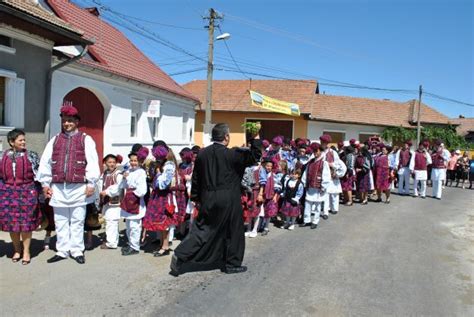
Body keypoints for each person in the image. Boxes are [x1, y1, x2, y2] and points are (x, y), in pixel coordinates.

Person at [171, 123, 262, 276]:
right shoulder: (233, 154)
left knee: (203, 229)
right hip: (229, 198)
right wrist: (255, 137)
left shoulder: (202, 154)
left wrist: (196, 197)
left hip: (208, 197)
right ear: (226, 137)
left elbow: (196, 179)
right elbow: (255, 156)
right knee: (234, 230)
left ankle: (180, 254)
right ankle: (232, 264)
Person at [38, 104, 100, 264]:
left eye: (70, 120)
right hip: (58, 188)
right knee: (60, 220)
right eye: (65, 121)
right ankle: (62, 250)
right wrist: (45, 184)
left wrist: (91, 183)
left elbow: (92, 162)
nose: (67, 124)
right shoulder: (55, 139)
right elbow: (45, 162)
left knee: (78, 221)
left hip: (78, 187)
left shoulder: (86, 139)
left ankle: (77, 250)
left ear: (77, 122)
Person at [0, 129, 41, 265]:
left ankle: (26, 251)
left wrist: (39, 193)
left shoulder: (32, 156)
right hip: (7, 194)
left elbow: (39, 175)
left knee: (26, 225)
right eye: (20, 140)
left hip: (27, 193)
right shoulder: (1, 156)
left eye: (24, 139)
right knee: (12, 225)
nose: (24, 142)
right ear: (12, 142)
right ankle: (17, 249)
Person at [119, 152, 147, 255]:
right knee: (128, 225)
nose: (133, 163)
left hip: (136, 201)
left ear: (139, 161)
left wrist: (134, 193)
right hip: (128, 200)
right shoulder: (128, 171)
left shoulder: (141, 172)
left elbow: (142, 190)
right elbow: (123, 185)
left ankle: (135, 246)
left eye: (135, 160)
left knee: (135, 225)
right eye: (131, 160)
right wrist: (124, 178)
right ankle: (131, 243)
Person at [300, 143, 331, 229]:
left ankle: (315, 221)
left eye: (316, 151)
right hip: (310, 186)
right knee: (307, 203)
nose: (315, 153)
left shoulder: (324, 163)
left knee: (317, 205)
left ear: (320, 151)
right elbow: (306, 173)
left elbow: (326, 176)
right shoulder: (310, 162)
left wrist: (323, 187)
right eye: (314, 151)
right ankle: (306, 220)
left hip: (318, 187)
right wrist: (304, 183)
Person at [98, 154, 123, 249]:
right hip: (106, 202)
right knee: (108, 221)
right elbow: (100, 184)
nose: (112, 164)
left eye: (113, 162)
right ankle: (111, 240)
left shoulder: (118, 174)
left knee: (112, 222)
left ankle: (111, 243)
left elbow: (118, 187)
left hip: (114, 203)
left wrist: (107, 191)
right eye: (109, 162)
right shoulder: (105, 173)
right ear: (105, 163)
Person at [320, 134, 346, 217]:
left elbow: (338, 164)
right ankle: (325, 209)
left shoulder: (333, 152)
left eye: (323, 142)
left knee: (334, 193)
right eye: (321, 142)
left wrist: (331, 164)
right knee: (325, 193)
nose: (321, 143)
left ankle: (334, 208)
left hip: (332, 174)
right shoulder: (320, 152)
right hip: (324, 175)